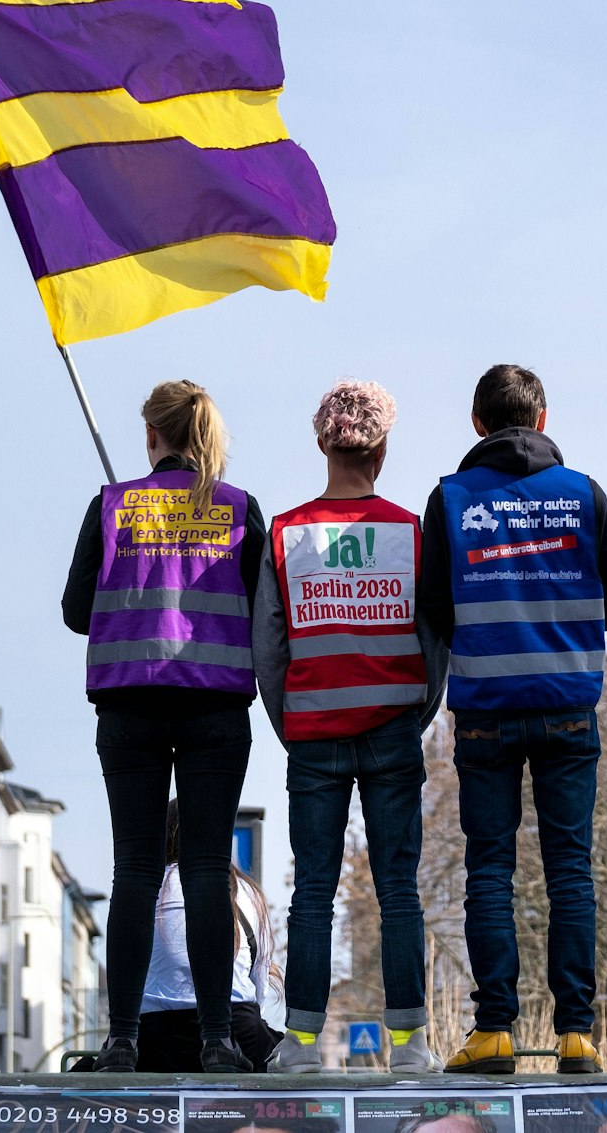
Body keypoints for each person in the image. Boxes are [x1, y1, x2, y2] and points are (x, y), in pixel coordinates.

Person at [420, 364, 607, 1075]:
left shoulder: (449, 500)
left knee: (490, 869)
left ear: (478, 424)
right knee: (571, 868)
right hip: (569, 708)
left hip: (483, 713)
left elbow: (435, 611)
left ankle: (495, 1032)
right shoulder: (584, 494)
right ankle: (577, 1034)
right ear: (542, 419)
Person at [61, 379, 265, 1073]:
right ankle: (217, 1039)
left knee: (137, 869)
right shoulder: (239, 509)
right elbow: (263, 609)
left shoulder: (113, 505)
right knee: (208, 868)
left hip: (130, 708)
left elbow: (74, 609)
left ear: (150, 436)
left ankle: (122, 1038)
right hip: (215, 709)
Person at [253, 379, 448, 1074]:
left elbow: (268, 646)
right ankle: (411, 1045)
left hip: (312, 732)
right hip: (394, 726)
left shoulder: (286, 531)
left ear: (320, 442)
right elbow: (434, 639)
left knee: (313, 889)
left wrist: (293, 720)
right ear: (383, 448)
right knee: (399, 888)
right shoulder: (408, 530)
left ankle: (301, 1044)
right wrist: (415, 712)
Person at [138, 798, 283, 1071]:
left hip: (158, 1037)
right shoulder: (244, 891)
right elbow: (258, 979)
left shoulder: (145, 889)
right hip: (238, 1030)